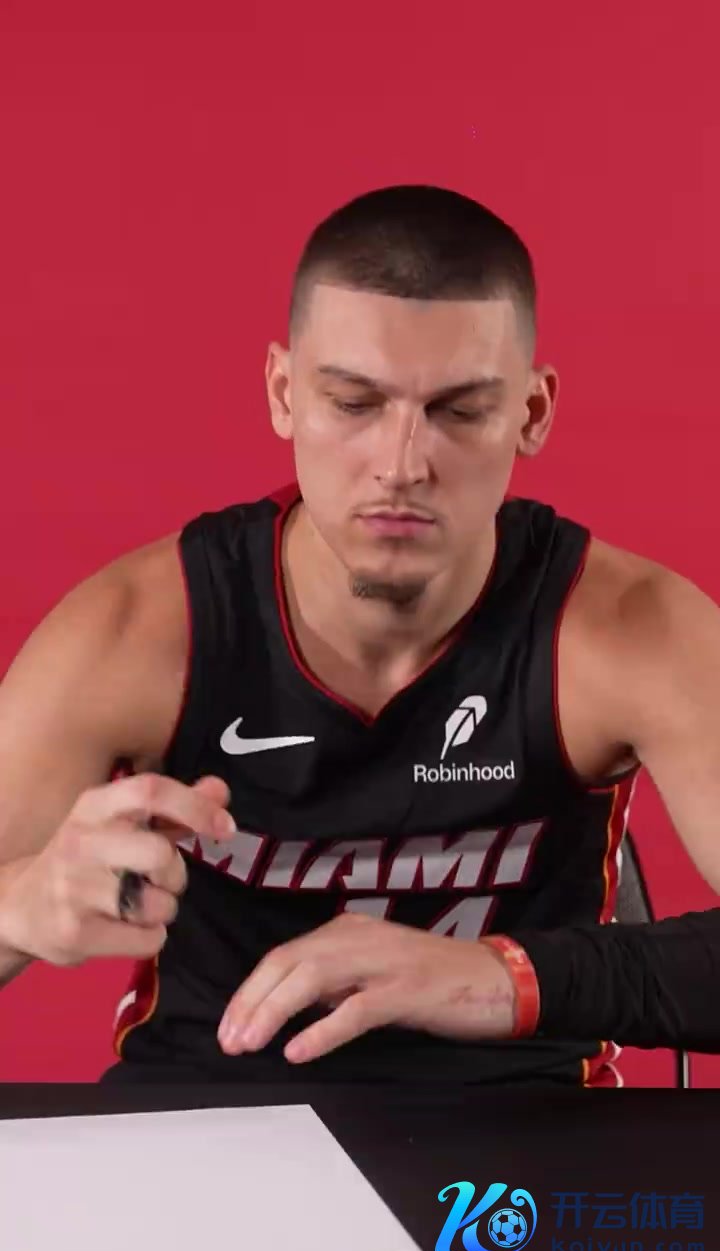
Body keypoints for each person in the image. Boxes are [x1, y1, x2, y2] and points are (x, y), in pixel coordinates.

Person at [1, 184, 720, 1090]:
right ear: (283, 394)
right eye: (353, 403)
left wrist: (502, 977)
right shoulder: (140, 631)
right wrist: (15, 910)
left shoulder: (625, 630)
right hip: (203, 1128)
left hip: (524, 1134)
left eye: (459, 411)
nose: (401, 464)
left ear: (532, 414)